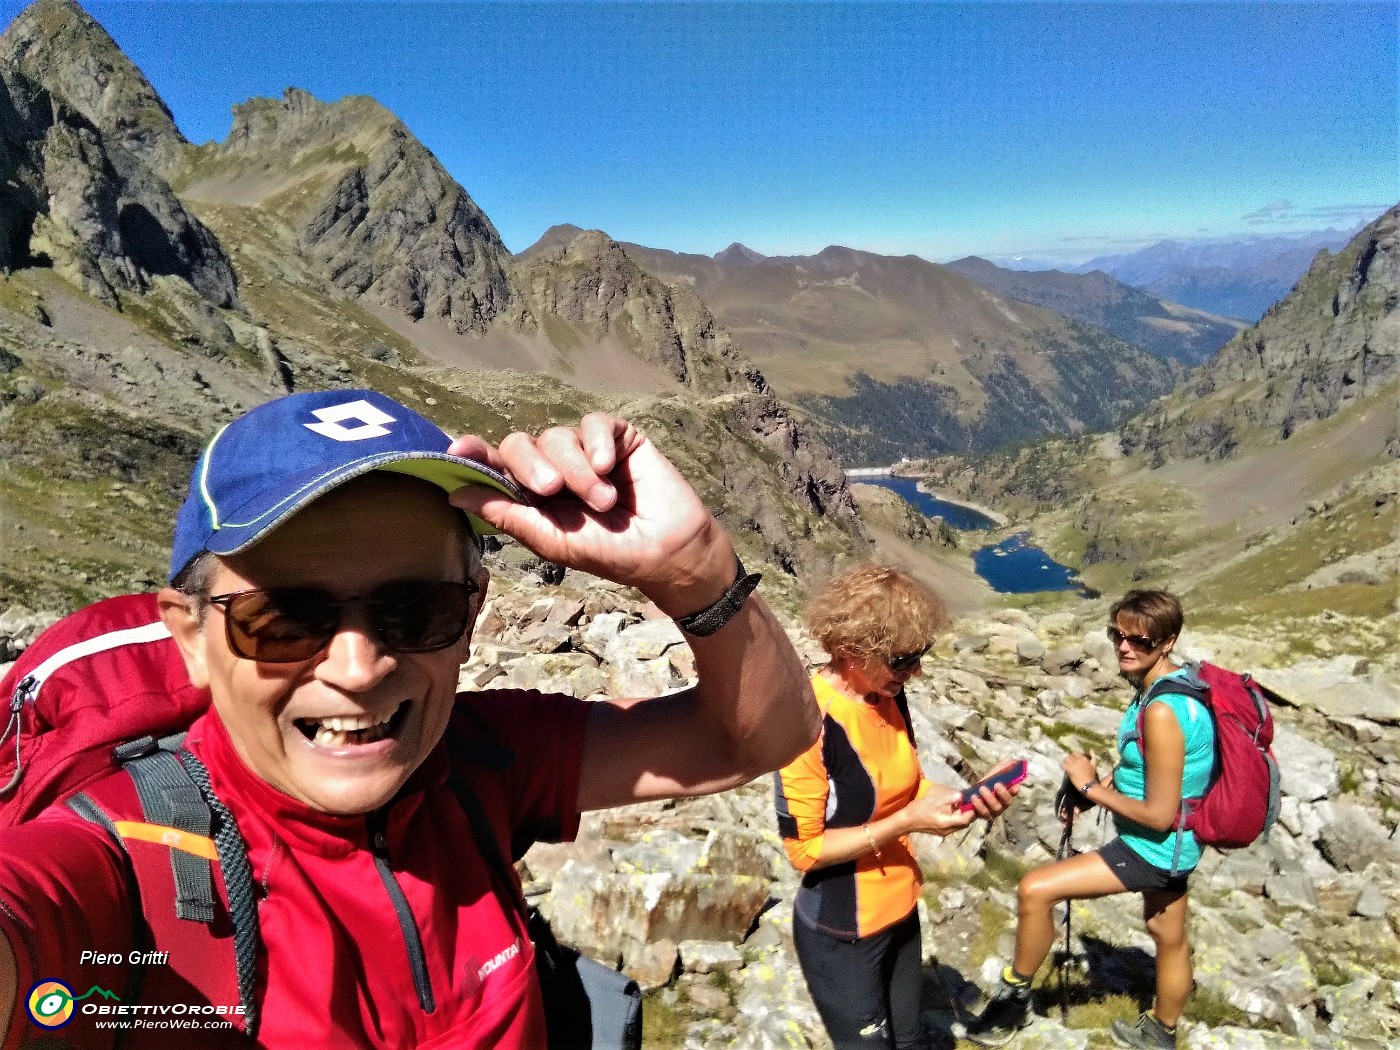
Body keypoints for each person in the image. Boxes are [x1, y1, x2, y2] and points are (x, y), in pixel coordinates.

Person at [0, 388, 820, 1049]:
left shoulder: (479, 758)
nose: (358, 669)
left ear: (474, 610)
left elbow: (758, 736)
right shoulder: (118, 858)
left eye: (418, 610)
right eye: (282, 619)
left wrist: (696, 569)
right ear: (192, 638)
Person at [773, 565, 1020, 1050]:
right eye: (902, 660)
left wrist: (966, 801)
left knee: (907, 1039)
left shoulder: (888, 694)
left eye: (920, 656)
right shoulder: (806, 722)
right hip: (842, 931)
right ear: (850, 650)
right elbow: (805, 850)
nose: (915, 672)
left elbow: (908, 788)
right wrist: (907, 822)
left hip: (901, 908)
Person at [956, 589, 1214, 1050]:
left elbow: (1158, 814)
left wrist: (1089, 786)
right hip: (1180, 845)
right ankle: (1160, 1031)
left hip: (1152, 848)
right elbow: (1146, 770)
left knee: (1035, 890)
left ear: (1168, 640)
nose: (1125, 647)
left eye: (1142, 639)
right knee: (1167, 934)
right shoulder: (1173, 688)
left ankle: (1013, 1001)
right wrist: (1097, 793)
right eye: (1118, 634)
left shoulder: (1161, 710)